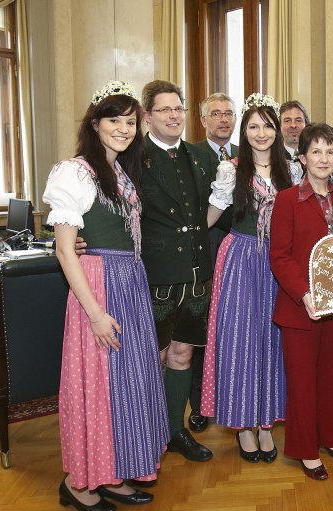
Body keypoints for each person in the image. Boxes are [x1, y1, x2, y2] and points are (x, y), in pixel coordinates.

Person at [44, 80, 168, 511]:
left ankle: (112, 472)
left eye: (130, 121)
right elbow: (65, 248)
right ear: (95, 124)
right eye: (114, 120)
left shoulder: (119, 172)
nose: (123, 128)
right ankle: (78, 483)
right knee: (99, 384)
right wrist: (95, 313)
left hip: (128, 282)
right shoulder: (75, 172)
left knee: (127, 382)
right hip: (97, 287)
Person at [200, 94, 296, 464]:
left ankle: (267, 424)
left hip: (278, 265)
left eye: (267, 126)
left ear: (276, 130)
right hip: (240, 260)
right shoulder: (231, 170)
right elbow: (209, 217)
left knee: (273, 340)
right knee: (240, 341)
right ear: (245, 130)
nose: (261, 133)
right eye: (253, 126)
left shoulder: (293, 170)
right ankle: (242, 425)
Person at [269, 123, 333, 481]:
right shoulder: (287, 199)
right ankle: (306, 450)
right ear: (303, 157)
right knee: (303, 381)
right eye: (316, 151)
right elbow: (280, 257)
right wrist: (305, 294)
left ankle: (330, 439)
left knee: (331, 376)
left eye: (331, 151)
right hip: (299, 306)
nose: (324, 158)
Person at [140, 80, 217, 463]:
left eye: (178, 109)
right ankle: (146, 435)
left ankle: (175, 430)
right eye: (165, 110)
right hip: (155, 276)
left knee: (183, 355)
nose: (174, 116)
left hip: (197, 275)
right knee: (153, 356)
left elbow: (214, 210)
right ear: (147, 116)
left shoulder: (203, 158)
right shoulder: (132, 158)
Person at [188, 92, 239, 434]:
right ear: (204, 121)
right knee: (200, 331)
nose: (224, 119)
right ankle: (199, 405)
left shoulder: (247, 155)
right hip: (204, 254)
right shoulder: (191, 155)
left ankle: (229, 398)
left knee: (233, 331)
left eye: (229, 114)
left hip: (242, 257)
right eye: (216, 114)